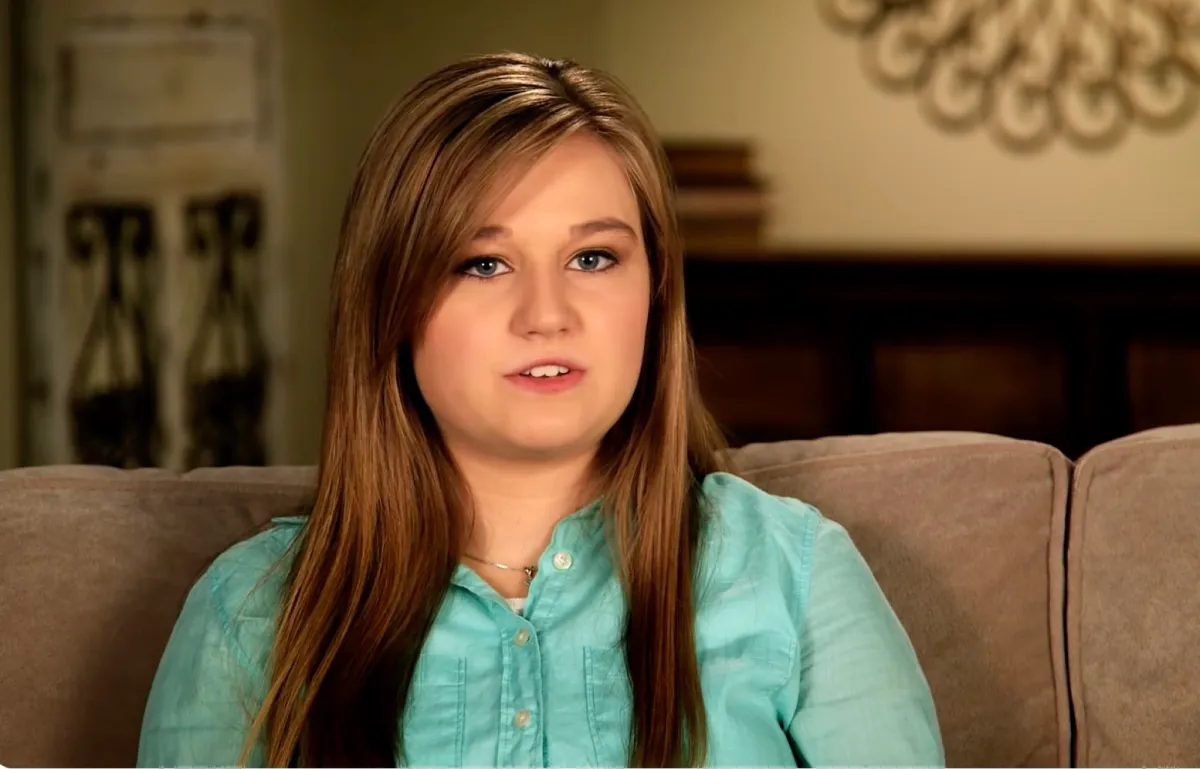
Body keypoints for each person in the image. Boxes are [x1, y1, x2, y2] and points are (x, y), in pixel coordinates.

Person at [136, 52, 944, 768]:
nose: (547, 314)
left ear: (656, 292)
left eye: (592, 257)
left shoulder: (793, 576)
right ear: (392, 303)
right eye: (484, 263)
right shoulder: (252, 614)